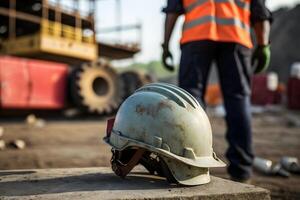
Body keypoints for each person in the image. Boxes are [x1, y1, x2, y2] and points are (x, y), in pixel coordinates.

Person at [161, 0, 272, 182]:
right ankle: (242, 171)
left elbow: (172, 10)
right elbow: (259, 11)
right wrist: (263, 44)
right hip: (235, 37)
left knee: (190, 101)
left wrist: (165, 45)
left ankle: (191, 165)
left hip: (195, 38)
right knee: (238, 100)